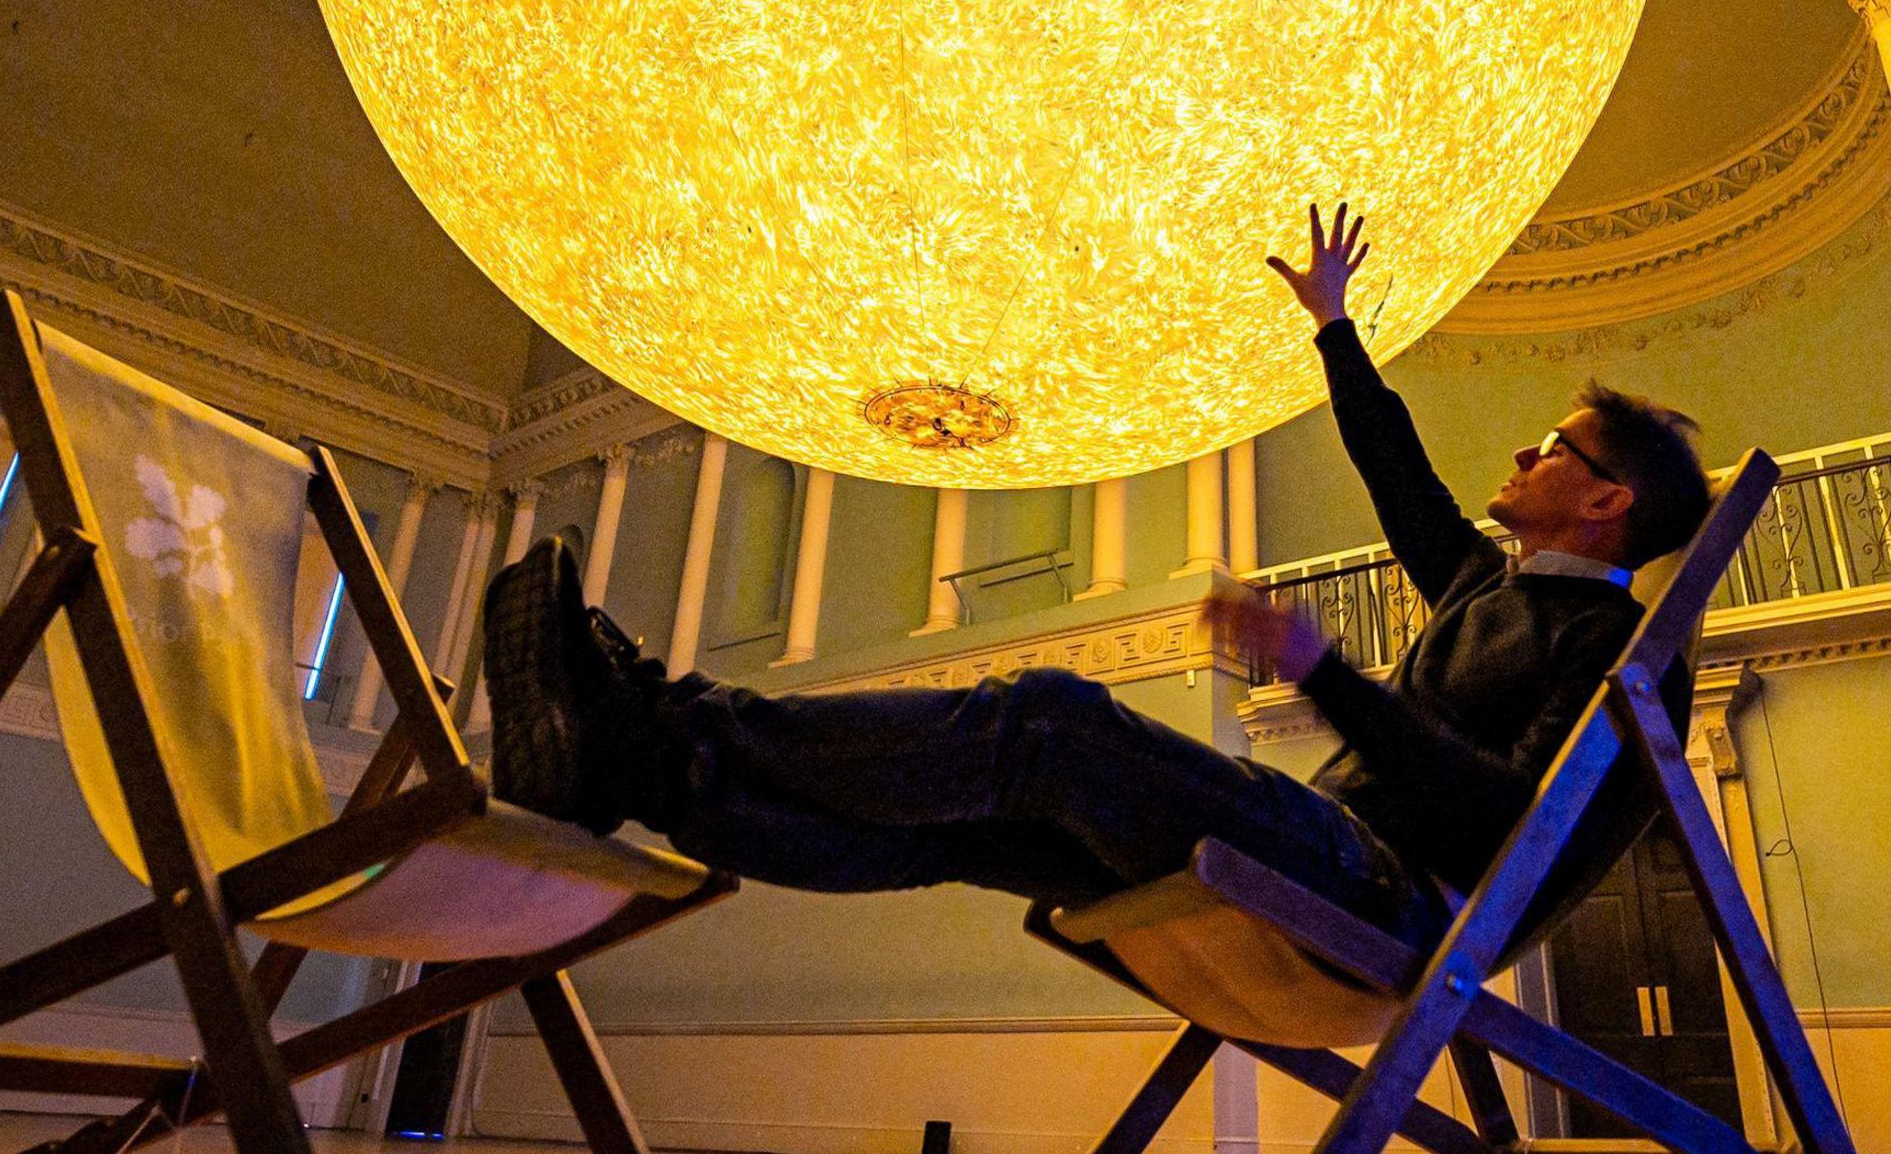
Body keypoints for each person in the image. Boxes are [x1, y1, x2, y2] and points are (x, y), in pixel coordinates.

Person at [477, 204, 1713, 940]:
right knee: (969, 821)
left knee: (1049, 721)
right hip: (1332, 852)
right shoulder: (1487, 590)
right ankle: (638, 768)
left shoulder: (1612, 654)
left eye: (1555, 446)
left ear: (1607, 501)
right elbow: (1401, 475)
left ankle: (656, 725)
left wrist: (1318, 671)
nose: (1524, 450)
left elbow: (1506, 820)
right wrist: (1335, 327)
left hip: (1386, 899)